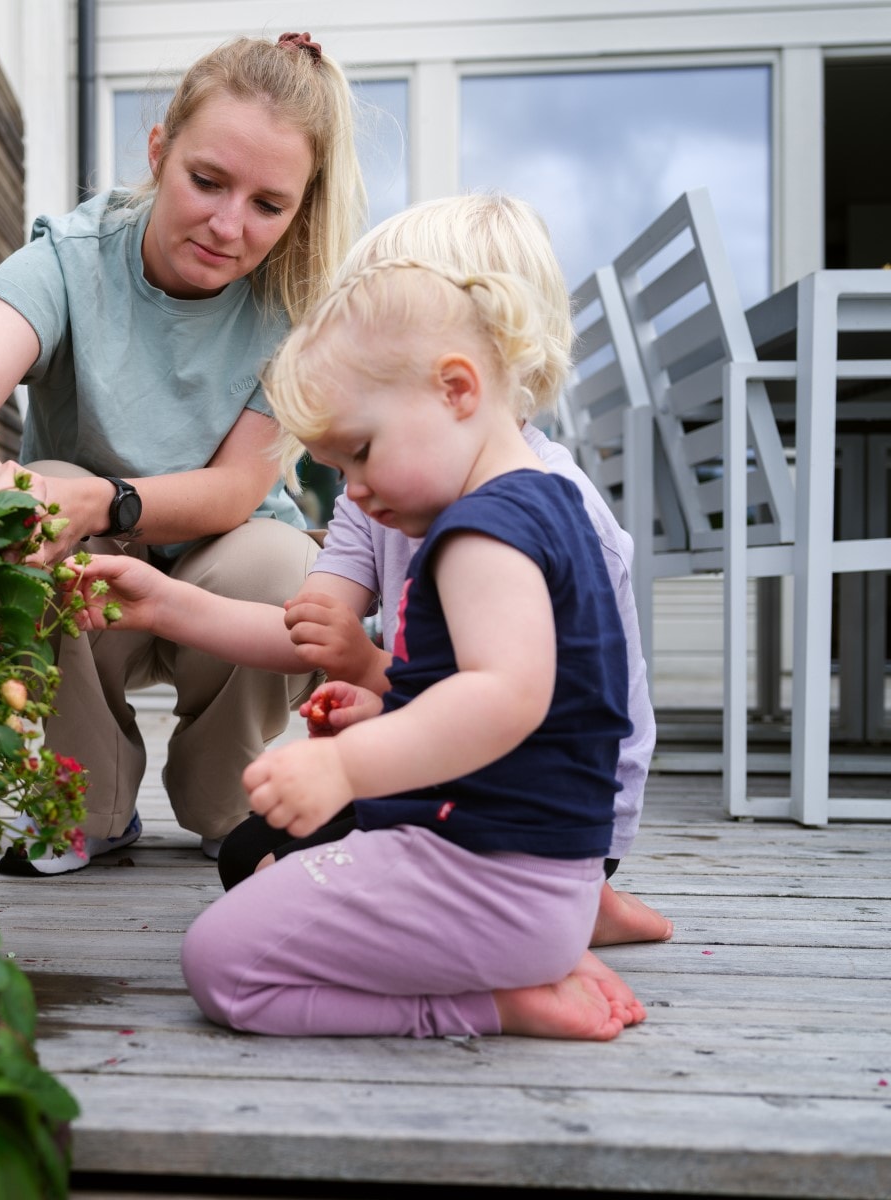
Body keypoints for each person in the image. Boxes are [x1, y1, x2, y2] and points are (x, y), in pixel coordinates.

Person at [77, 193, 672, 947]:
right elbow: (308, 635)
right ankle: (567, 913)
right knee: (248, 854)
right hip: (449, 769)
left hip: (542, 812)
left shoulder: (543, 519)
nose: (350, 482)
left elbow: (538, 715)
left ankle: (573, 901)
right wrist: (163, 602)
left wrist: (374, 683)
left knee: (276, 892)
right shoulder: (382, 490)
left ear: (457, 378)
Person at [0, 32, 365, 875]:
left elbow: (236, 489)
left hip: (221, 590)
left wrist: (110, 499)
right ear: (159, 153)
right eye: (206, 181)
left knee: (286, 565)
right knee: (39, 491)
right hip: (88, 587)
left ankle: (232, 805)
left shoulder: (293, 312)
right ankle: (84, 806)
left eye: (269, 204)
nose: (229, 226)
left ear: (301, 208)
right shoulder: (68, 259)